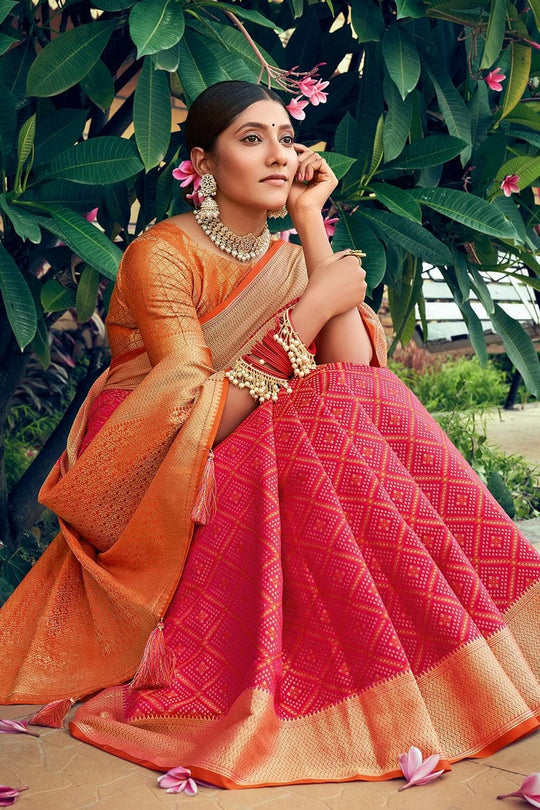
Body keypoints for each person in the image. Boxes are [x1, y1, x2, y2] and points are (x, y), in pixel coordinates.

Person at [0, 80, 538, 790]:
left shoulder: (286, 257)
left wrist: (313, 227)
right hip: (161, 466)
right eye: (251, 139)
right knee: (325, 411)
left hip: (268, 439)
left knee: (344, 400)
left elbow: (353, 375)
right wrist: (308, 313)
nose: (278, 154)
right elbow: (187, 406)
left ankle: (481, 649)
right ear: (202, 163)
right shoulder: (159, 255)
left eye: (286, 137)